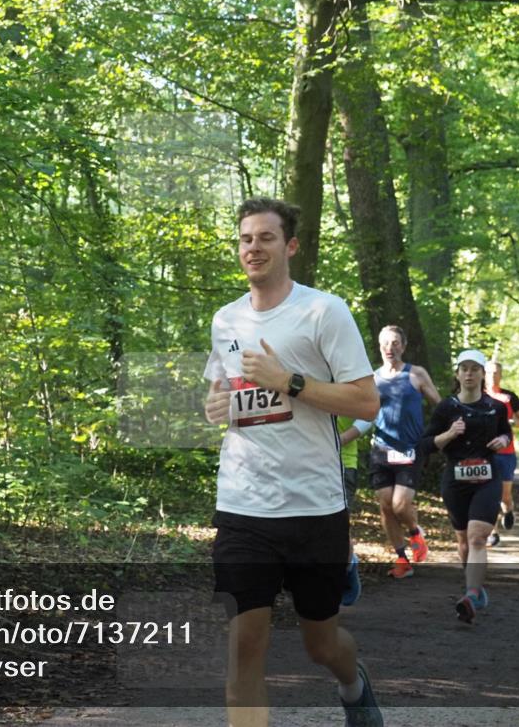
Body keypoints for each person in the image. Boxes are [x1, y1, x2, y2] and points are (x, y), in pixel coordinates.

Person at [203, 198, 383, 727]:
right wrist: (214, 405)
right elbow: (222, 393)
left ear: (291, 245)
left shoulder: (323, 311)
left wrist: (289, 382)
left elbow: (366, 403)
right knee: (243, 647)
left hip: (313, 506)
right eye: (244, 239)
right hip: (242, 505)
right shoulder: (225, 319)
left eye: (265, 238)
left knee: (320, 644)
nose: (252, 248)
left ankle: (353, 686)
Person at [420, 350, 511, 624]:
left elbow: (505, 430)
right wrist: (448, 434)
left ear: (483, 374)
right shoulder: (446, 408)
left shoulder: (495, 407)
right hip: (455, 481)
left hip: (487, 479)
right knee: (463, 540)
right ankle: (475, 587)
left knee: (477, 537)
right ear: (457, 374)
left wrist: (504, 441)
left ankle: (470, 595)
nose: (469, 374)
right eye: (464, 369)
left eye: (475, 369)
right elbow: (424, 445)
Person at [367, 325, 440, 579]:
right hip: (381, 450)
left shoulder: (416, 374)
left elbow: (439, 406)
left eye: (395, 343)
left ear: (404, 346)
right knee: (386, 506)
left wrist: (432, 438)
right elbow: (363, 410)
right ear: (379, 347)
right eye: (385, 343)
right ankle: (401, 559)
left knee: (400, 505)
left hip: (409, 450)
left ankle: (414, 531)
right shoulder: (372, 378)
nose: (390, 348)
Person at [484, 361, 519, 547]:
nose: (493, 376)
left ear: (501, 375)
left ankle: (509, 509)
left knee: (504, 496)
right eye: (489, 372)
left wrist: (510, 423)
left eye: (496, 372)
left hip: (506, 453)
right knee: (488, 493)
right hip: (483, 453)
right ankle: (492, 533)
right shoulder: (476, 396)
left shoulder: (509, 397)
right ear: (483, 374)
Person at [337, 416, 366, 605]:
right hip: (301, 464)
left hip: (343, 464)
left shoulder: (345, 384)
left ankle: (347, 567)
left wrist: (339, 440)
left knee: (337, 527)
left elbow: (368, 414)